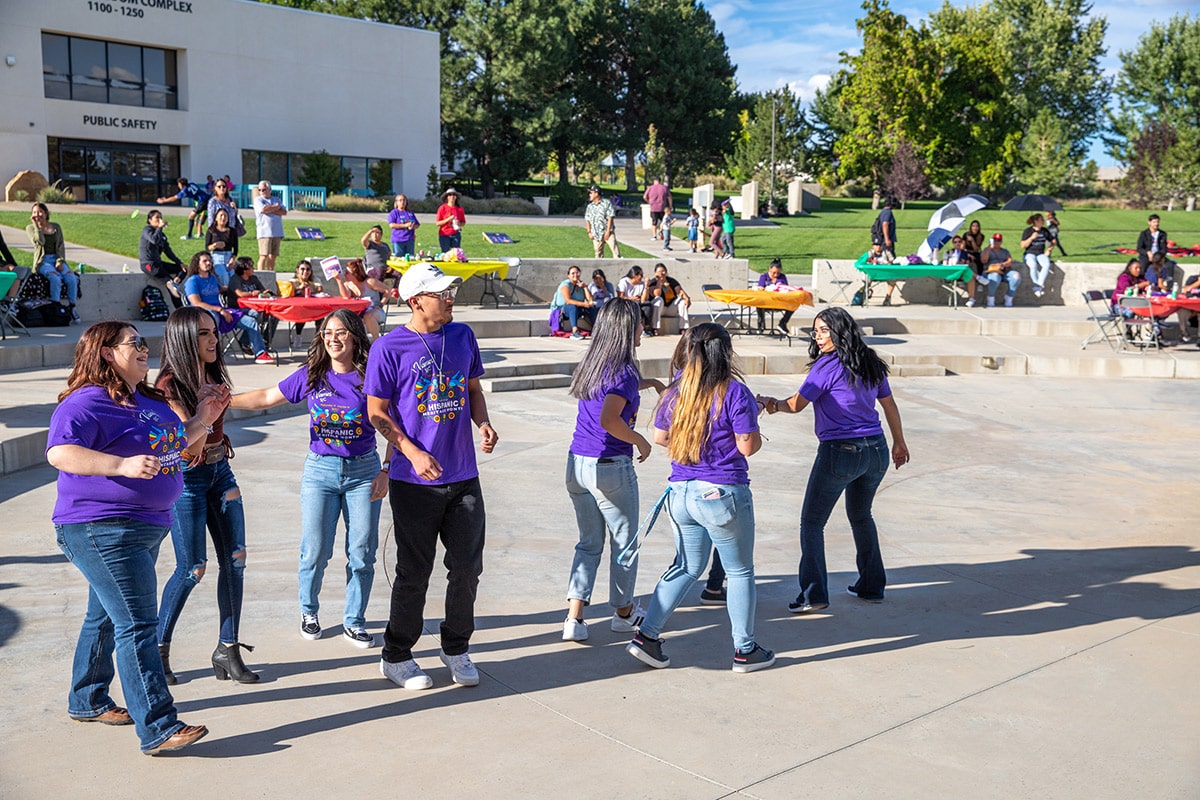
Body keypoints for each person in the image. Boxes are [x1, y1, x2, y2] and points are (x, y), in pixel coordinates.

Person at [47, 321, 222, 755]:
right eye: (133, 343)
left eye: (144, 343)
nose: (144, 349)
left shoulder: (148, 400)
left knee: (105, 617)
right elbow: (60, 451)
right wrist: (120, 466)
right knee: (137, 624)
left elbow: (174, 448)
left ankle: (86, 699)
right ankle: (159, 727)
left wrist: (203, 420)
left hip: (146, 525)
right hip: (101, 527)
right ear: (107, 353)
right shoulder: (85, 402)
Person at [365, 263, 499, 690]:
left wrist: (483, 423)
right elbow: (376, 413)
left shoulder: (462, 337)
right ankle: (397, 655)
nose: (451, 297)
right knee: (414, 572)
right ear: (416, 299)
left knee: (467, 567)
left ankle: (455, 647)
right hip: (413, 483)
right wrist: (410, 451)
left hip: (463, 476)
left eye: (451, 291)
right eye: (442, 292)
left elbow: (473, 390)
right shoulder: (389, 348)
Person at [231, 309, 388, 647]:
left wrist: (387, 470)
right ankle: (308, 610)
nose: (333, 338)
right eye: (327, 332)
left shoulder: (371, 375)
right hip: (320, 472)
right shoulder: (313, 374)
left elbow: (394, 423)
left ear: (355, 337)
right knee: (315, 549)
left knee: (362, 551)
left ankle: (354, 620)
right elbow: (266, 398)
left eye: (341, 332)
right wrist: (222, 402)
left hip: (364, 472)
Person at [626, 323, 773, 673]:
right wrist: (757, 418)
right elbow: (747, 446)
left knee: (687, 566)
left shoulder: (676, 392)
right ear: (725, 352)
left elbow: (660, 437)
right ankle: (744, 649)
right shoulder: (734, 393)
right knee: (739, 572)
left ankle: (647, 636)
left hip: (681, 493)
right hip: (722, 493)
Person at [757, 306, 909, 613]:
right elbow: (889, 405)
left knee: (812, 522)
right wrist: (898, 443)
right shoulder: (870, 362)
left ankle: (813, 594)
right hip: (876, 450)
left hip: (841, 451)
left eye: (824, 330)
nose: (819, 337)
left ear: (842, 330)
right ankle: (871, 585)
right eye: (815, 331)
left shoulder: (826, 366)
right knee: (861, 514)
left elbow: (796, 405)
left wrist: (770, 404)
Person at [156, 307, 261, 685]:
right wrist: (204, 411)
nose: (213, 339)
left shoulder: (213, 373)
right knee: (192, 568)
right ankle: (158, 648)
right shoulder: (169, 385)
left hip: (220, 470)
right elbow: (186, 446)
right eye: (203, 334)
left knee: (236, 560)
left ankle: (227, 649)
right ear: (184, 338)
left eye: (214, 332)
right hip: (187, 477)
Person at [562, 298, 666, 642]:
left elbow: (609, 397)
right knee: (625, 544)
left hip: (578, 464)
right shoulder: (623, 371)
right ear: (626, 329)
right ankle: (623, 612)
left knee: (589, 544)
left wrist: (648, 382)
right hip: (610, 468)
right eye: (638, 323)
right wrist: (640, 440)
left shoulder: (594, 364)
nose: (643, 329)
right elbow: (610, 418)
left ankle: (574, 618)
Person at [183, 252, 274, 364]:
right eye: (205, 261)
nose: (209, 263)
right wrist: (220, 310)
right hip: (204, 314)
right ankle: (210, 352)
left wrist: (234, 287)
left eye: (210, 260)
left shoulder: (212, 278)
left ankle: (256, 350)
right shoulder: (192, 281)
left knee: (254, 315)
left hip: (222, 311)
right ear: (197, 264)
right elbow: (196, 303)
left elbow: (221, 289)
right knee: (214, 319)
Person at [27, 202, 79, 322]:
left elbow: (60, 246)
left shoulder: (56, 227)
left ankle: (72, 307)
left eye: (40, 212)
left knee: (71, 278)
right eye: (34, 212)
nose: (37, 214)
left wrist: (60, 261)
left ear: (46, 213)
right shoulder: (30, 228)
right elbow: (40, 242)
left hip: (56, 259)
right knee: (55, 278)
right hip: (43, 261)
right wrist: (37, 226)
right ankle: (55, 306)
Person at [225, 257, 279, 352]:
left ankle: (265, 341)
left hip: (255, 306)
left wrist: (266, 293)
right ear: (244, 269)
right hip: (238, 309)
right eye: (251, 266)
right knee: (256, 314)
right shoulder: (235, 279)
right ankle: (245, 341)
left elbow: (261, 291)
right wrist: (253, 293)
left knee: (275, 314)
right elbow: (240, 294)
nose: (253, 268)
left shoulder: (253, 278)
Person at [335, 258, 389, 340]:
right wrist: (339, 280)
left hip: (375, 311)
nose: (344, 274)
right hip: (358, 313)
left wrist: (381, 304)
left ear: (355, 274)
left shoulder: (369, 282)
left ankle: (376, 341)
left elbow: (387, 290)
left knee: (368, 316)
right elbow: (346, 296)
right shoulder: (348, 285)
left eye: (347, 272)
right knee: (344, 317)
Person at [140, 210, 185, 296]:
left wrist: (179, 263)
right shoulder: (147, 230)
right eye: (157, 217)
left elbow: (168, 251)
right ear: (150, 220)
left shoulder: (161, 235)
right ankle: (170, 283)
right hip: (149, 264)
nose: (160, 219)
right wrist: (159, 228)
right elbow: (154, 240)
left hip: (158, 263)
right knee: (162, 275)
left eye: (161, 217)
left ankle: (175, 282)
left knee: (182, 269)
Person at [287, 259, 326, 348]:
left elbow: (320, 292)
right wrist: (298, 289)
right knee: (302, 313)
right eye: (303, 269)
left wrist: (316, 288)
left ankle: (318, 340)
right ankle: (298, 335)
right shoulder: (292, 282)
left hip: (313, 308)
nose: (305, 272)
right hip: (297, 309)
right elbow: (287, 294)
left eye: (308, 269)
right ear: (297, 270)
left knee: (321, 316)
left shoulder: (315, 280)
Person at [646, 263, 691, 336]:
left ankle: (683, 328)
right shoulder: (653, 282)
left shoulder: (671, 281)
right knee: (658, 299)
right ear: (655, 273)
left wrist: (686, 298)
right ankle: (655, 328)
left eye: (663, 271)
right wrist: (659, 282)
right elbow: (657, 294)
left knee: (682, 301)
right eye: (659, 271)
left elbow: (679, 291)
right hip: (659, 309)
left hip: (670, 308)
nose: (662, 273)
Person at [551, 265, 596, 338]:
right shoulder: (566, 285)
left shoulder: (581, 284)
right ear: (568, 275)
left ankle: (598, 329)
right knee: (572, 306)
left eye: (577, 272)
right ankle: (575, 331)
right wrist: (584, 304)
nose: (575, 275)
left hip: (577, 309)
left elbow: (591, 300)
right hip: (563, 310)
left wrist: (585, 287)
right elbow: (568, 301)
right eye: (573, 273)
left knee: (592, 308)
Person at [253, 180, 287, 273]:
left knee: (273, 256)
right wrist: (276, 208)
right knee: (263, 255)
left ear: (270, 189)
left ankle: (270, 274)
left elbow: (284, 212)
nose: (261, 192)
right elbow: (263, 210)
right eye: (259, 190)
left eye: (264, 189)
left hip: (277, 232)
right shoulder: (258, 200)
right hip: (264, 232)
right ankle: (261, 275)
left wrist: (271, 209)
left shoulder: (277, 199)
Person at [755, 258, 796, 332]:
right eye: (774, 272)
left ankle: (782, 323)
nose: (776, 275)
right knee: (758, 304)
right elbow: (760, 288)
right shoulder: (764, 277)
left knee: (793, 305)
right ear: (769, 269)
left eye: (778, 273)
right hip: (766, 302)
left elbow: (785, 288)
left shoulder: (782, 277)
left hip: (779, 302)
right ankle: (761, 325)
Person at [980, 233, 1020, 308]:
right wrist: (989, 247)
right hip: (990, 272)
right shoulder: (987, 250)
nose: (996, 242)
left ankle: (1009, 296)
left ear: (1001, 242)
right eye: (995, 240)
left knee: (1016, 276)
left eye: (998, 240)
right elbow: (983, 260)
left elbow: (1009, 261)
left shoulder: (1005, 251)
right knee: (995, 277)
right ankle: (990, 298)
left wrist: (1003, 264)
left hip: (1003, 271)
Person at [1020, 213, 1055, 299]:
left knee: (1046, 264)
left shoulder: (1044, 231)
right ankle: (1037, 286)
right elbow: (1023, 245)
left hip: (1040, 253)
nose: (1043, 222)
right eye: (1041, 220)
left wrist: (1049, 249)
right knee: (1033, 265)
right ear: (1035, 221)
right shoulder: (1028, 231)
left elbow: (1053, 241)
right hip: (1030, 253)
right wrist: (1031, 238)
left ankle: (1038, 285)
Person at [943, 235, 983, 308]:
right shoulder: (948, 253)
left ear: (961, 243)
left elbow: (966, 264)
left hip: (962, 273)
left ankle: (971, 299)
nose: (957, 243)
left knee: (970, 276)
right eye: (955, 242)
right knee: (969, 273)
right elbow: (945, 265)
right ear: (953, 243)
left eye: (959, 242)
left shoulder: (964, 253)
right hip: (952, 273)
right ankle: (978, 277)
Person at [204, 207, 237, 289]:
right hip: (216, 257)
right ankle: (227, 293)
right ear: (216, 218)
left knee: (232, 274)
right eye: (221, 215)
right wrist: (215, 245)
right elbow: (207, 247)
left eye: (225, 216)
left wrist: (232, 259)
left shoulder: (232, 231)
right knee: (224, 275)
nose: (223, 218)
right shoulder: (211, 230)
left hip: (228, 257)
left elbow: (235, 249)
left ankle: (233, 293)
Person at [584, 185, 621, 259]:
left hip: (608, 233)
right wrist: (589, 232)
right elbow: (587, 220)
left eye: (591, 193)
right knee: (598, 255)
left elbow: (610, 217)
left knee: (616, 252)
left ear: (596, 193)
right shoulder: (590, 206)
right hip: (596, 234)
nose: (589, 195)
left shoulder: (606, 203)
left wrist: (607, 232)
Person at [435, 187, 466, 253]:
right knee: (445, 253)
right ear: (447, 197)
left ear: (456, 197)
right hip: (444, 234)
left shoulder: (459, 209)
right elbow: (437, 223)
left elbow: (463, 222)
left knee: (456, 253)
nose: (452, 196)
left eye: (454, 195)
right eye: (450, 195)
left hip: (456, 234)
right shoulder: (442, 208)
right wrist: (448, 219)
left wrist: (459, 223)